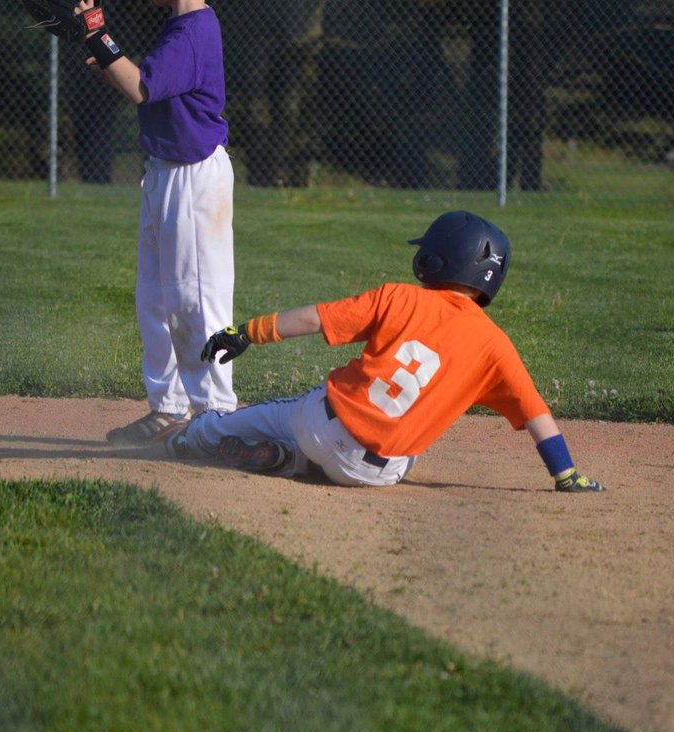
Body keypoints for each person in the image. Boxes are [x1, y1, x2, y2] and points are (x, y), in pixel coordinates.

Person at [161, 211, 605, 492]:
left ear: (434, 261)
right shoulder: (496, 347)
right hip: (379, 474)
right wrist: (565, 474)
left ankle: (191, 438)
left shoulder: (400, 297)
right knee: (353, 458)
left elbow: (316, 319)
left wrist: (247, 332)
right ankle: (285, 461)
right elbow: (536, 415)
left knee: (253, 418)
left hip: (321, 423)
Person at [72, 0, 237, 445]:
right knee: (156, 301)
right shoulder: (178, 26)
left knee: (195, 301)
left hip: (193, 176)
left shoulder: (193, 30)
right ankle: (168, 409)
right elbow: (146, 88)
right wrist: (109, 66)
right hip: (165, 172)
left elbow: (143, 88)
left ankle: (216, 418)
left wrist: (96, 32)